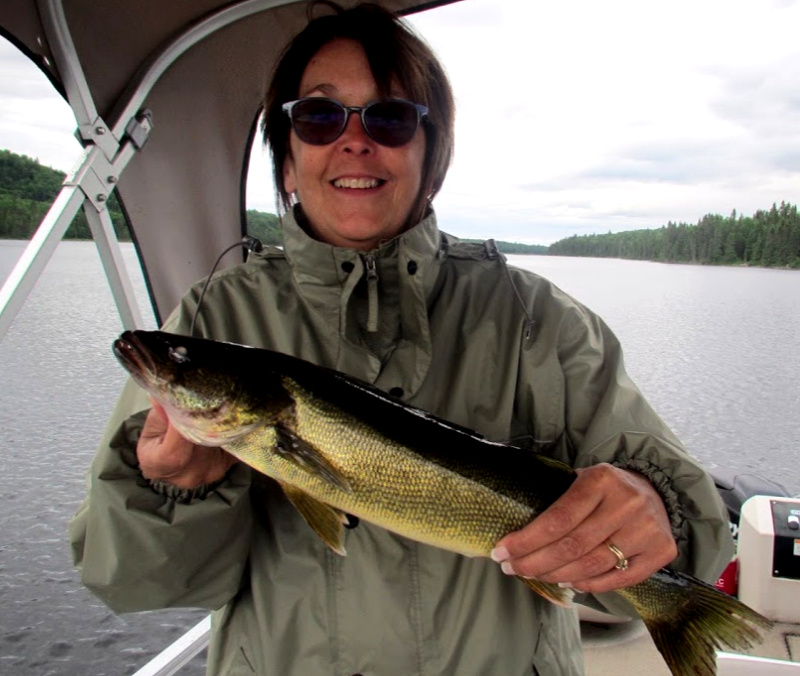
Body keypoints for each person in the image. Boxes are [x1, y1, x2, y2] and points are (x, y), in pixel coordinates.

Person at [69, 3, 734, 675]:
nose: (354, 141)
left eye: (389, 118)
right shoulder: (213, 322)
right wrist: (172, 492)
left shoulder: (544, 324)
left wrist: (650, 514)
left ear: (432, 161)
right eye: (320, 116)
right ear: (288, 163)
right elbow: (129, 581)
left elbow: (697, 536)